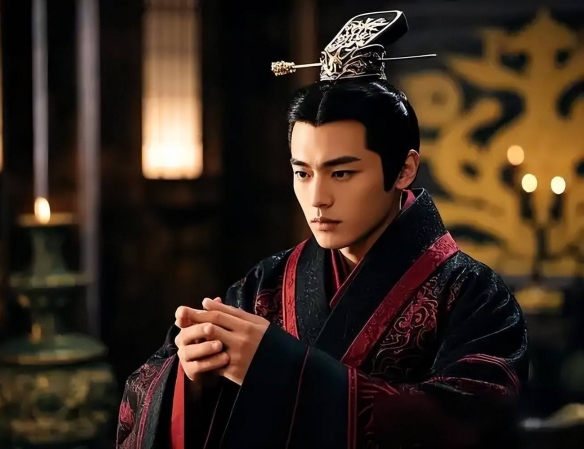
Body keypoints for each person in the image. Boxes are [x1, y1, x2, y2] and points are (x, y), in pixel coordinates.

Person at [117, 10, 528, 449]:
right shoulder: (266, 285)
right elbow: (148, 392)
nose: (317, 198)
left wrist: (279, 369)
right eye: (303, 173)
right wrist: (193, 379)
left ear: (404, 169)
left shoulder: (474, 298)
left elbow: (468, 428)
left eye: (342, 173)